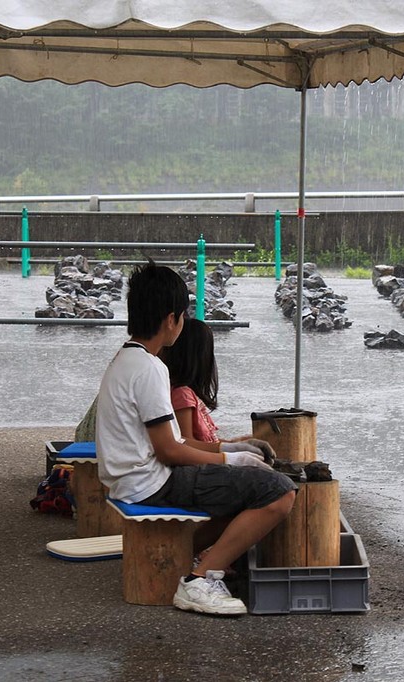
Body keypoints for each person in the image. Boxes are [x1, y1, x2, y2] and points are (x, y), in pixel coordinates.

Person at [95, 261, 296, 616]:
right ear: (172, 319)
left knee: (245, 490)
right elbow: (171, 452)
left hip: (130, 479)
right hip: (151, 482)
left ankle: (178, 557)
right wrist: (231, 461)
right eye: (183, 316)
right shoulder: (151, 368)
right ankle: (200, 580)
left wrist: (229, 447)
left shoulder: (124, 360)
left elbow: (175, 440)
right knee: (278, 491)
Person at [160, 316, 273, 458]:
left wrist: (237, 443)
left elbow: (207, 443)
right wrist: (231, 455)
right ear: (201, 356)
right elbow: (185, 445)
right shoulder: (182, 395)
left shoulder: (187, 393)